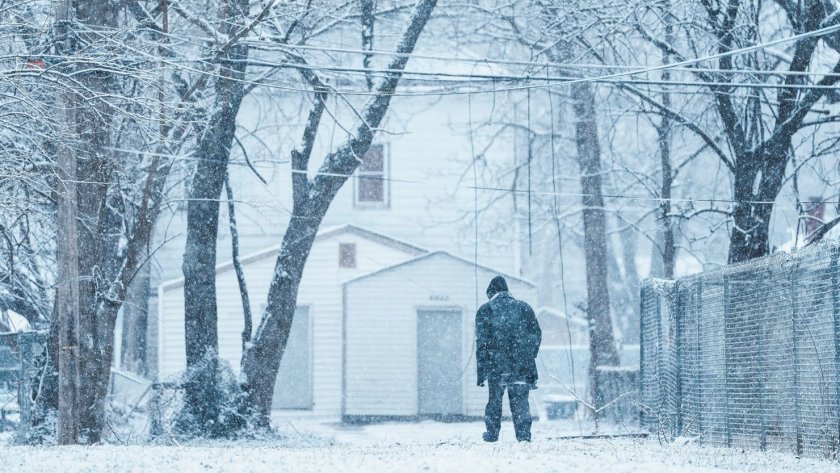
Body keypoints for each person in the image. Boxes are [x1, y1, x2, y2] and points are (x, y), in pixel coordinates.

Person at [475, 275, 542, 442]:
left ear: (491, 293)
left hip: (496, 365)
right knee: (520, 401)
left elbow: (482, 343)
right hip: (521, 366)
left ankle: (492, 435)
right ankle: (524, 437)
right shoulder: (524, 308)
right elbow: (536, 335)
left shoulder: (486, 310)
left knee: (495, 401)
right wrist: (528, 354)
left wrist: (482, 372)